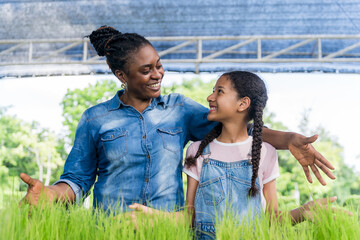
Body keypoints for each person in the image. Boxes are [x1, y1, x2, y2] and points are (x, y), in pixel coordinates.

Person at [20, 26, 335, 213]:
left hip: (167, 227)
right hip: (110, 228)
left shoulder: (180, 109)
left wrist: (288, 139)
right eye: (146, 70)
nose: (158, 74)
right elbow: (78, 179)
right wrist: (50, 193)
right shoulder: (95, 119)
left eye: (158, 64)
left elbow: (237, 128)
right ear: (121, 75)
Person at [179, 71, 336, 239]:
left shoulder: (266, 152)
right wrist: (150, 216)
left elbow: (272, 219)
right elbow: (190, 216)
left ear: (243, 103)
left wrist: (303, 212)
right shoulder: (197, 151)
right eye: (213, 90)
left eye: (219, 91)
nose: (210, 97)